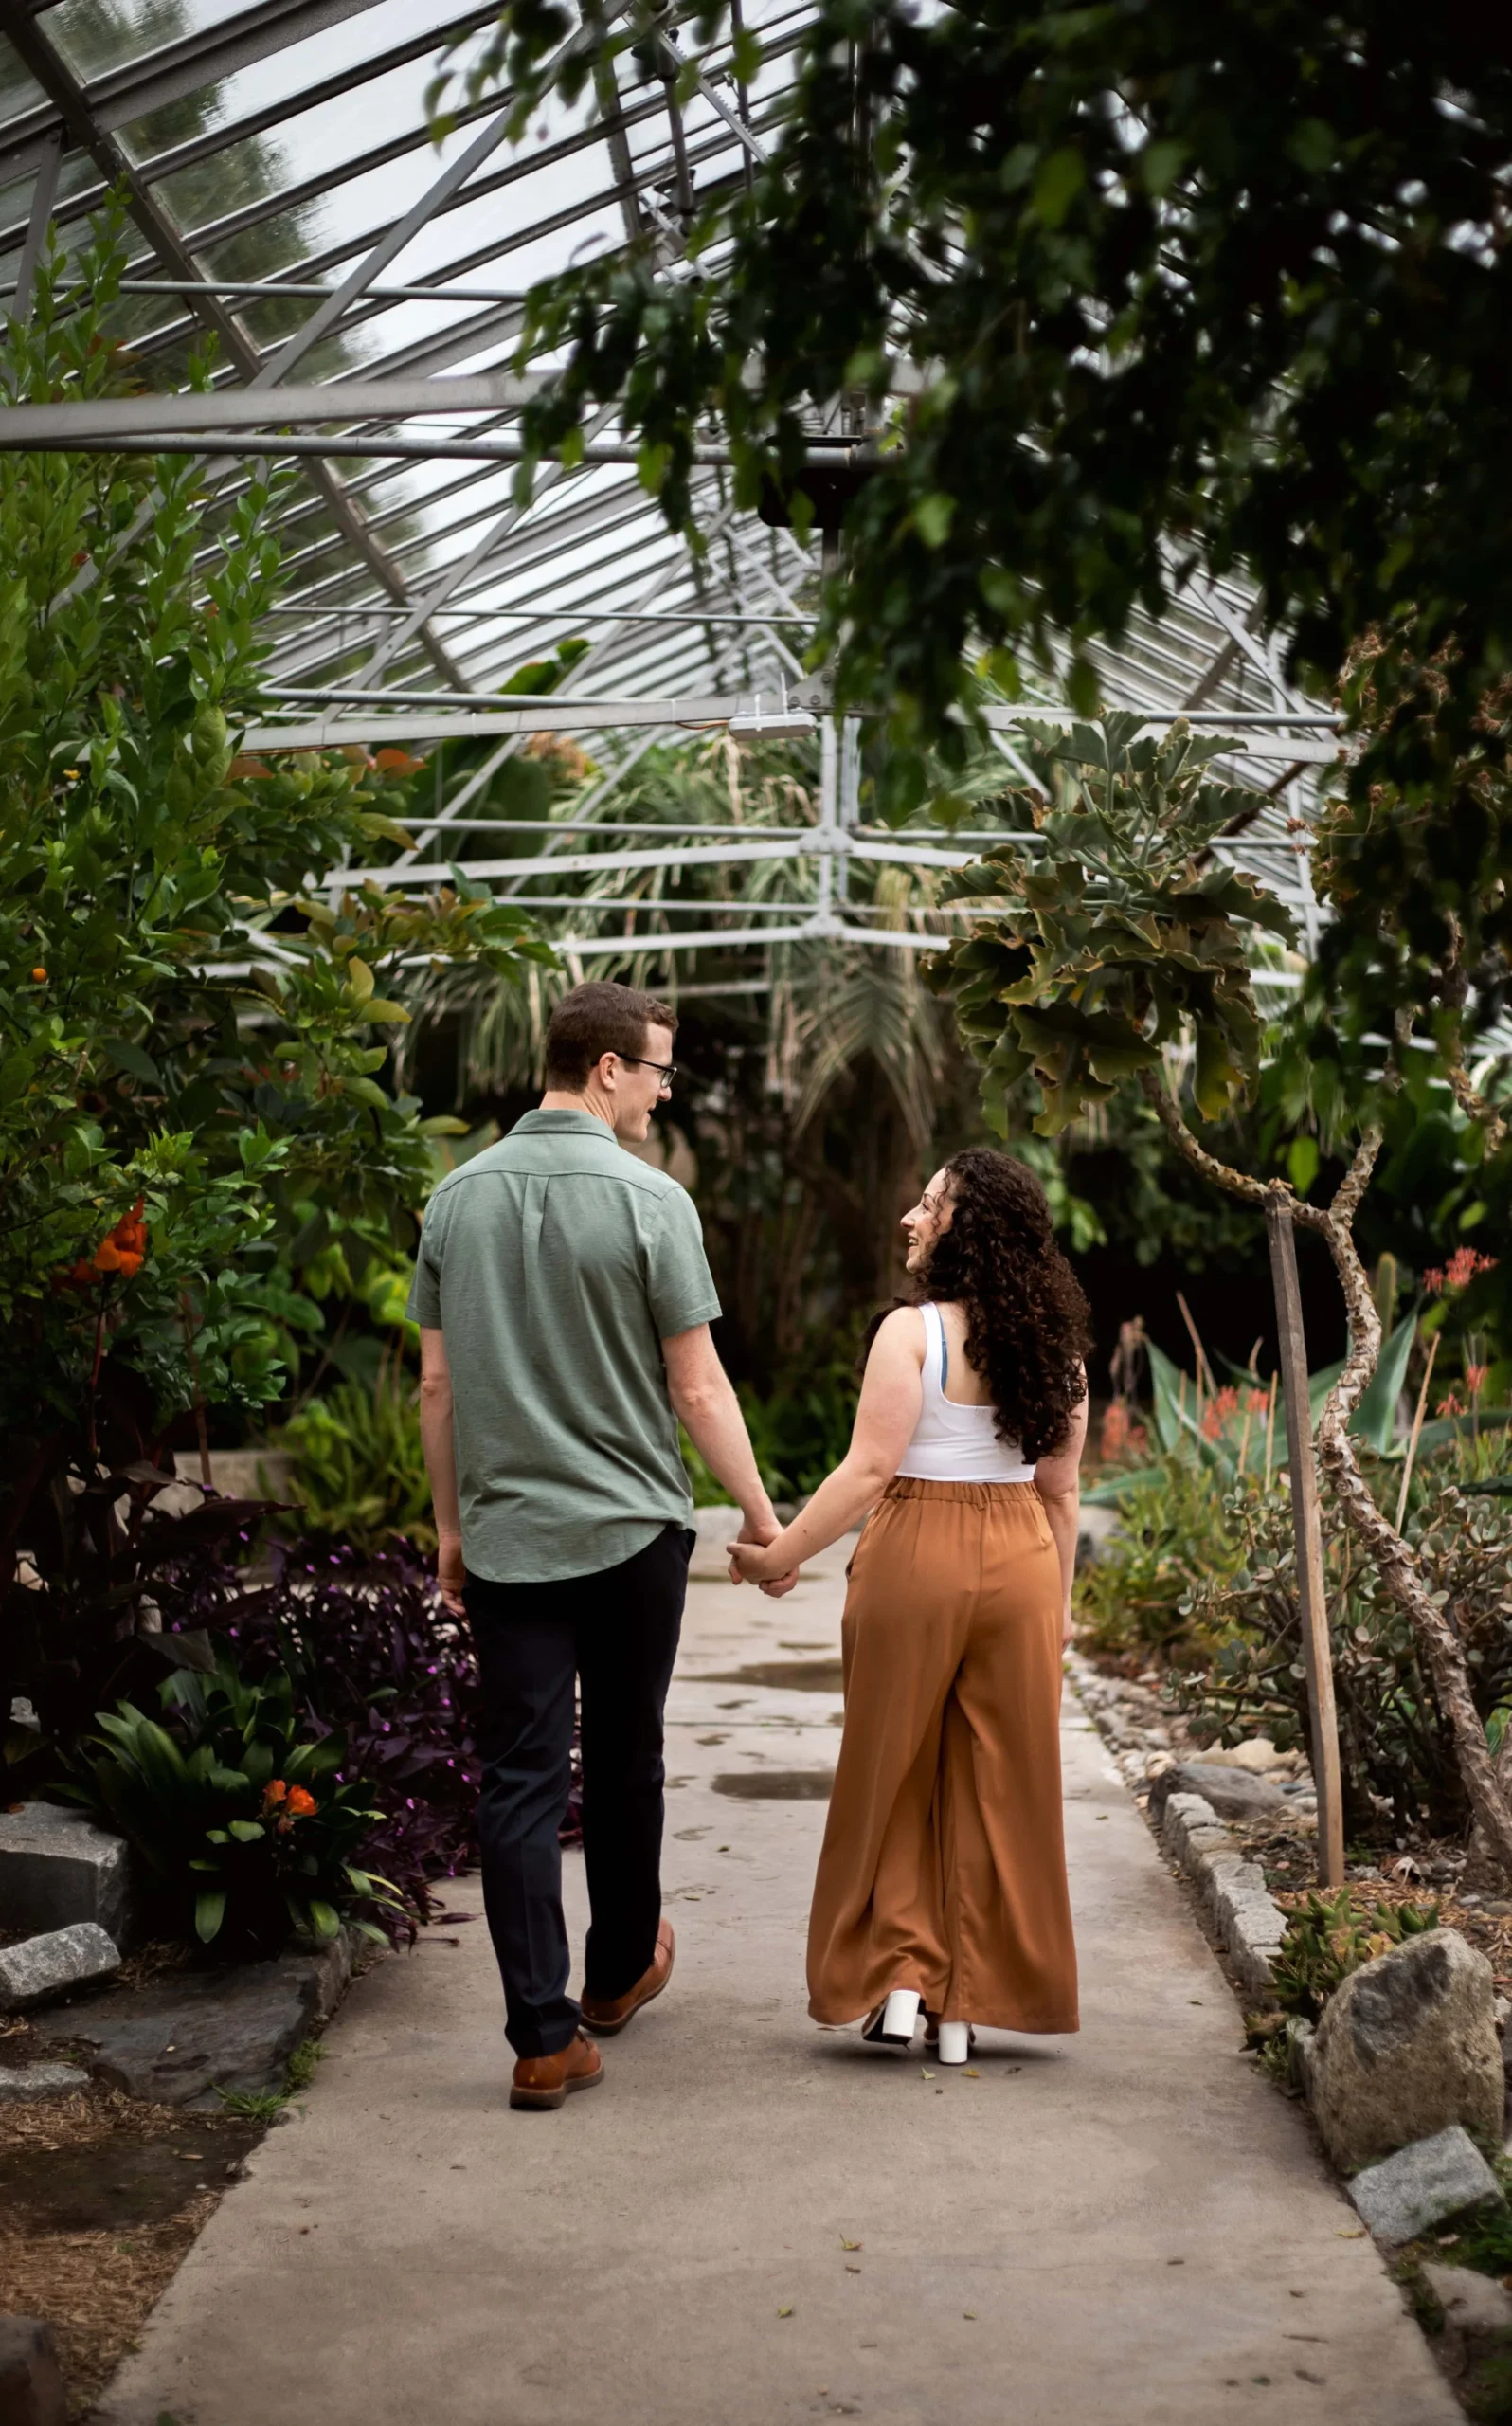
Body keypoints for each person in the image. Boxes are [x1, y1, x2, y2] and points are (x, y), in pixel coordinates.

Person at [411, 980, 792, 2111]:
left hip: (510, 1538)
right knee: (626, 1756)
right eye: (661, 1072)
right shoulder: (651, 1200)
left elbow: (436, 1385)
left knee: (520, 1778)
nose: (666, 1094)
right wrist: (764, 1517)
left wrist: (448, 1527)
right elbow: (697, 1383)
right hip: (632, 1535)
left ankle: (541, 2037)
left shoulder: (453, 1201)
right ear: (610, 1069)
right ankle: (617, 1976)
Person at [728, 1149, 1089, 2062]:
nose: (911, 1217)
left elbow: (868, 1472)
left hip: (916, 1550)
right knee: (1000, 1786)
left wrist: (779, 1552)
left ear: (968, 1229)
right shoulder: (1059, 1350)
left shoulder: (912, 1334)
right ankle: (965, 2006)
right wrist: (1060, 1614)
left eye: (930, 1204)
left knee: (890, 1767)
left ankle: (897, 1978)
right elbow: (1061, 1491)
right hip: (1024, 1562)